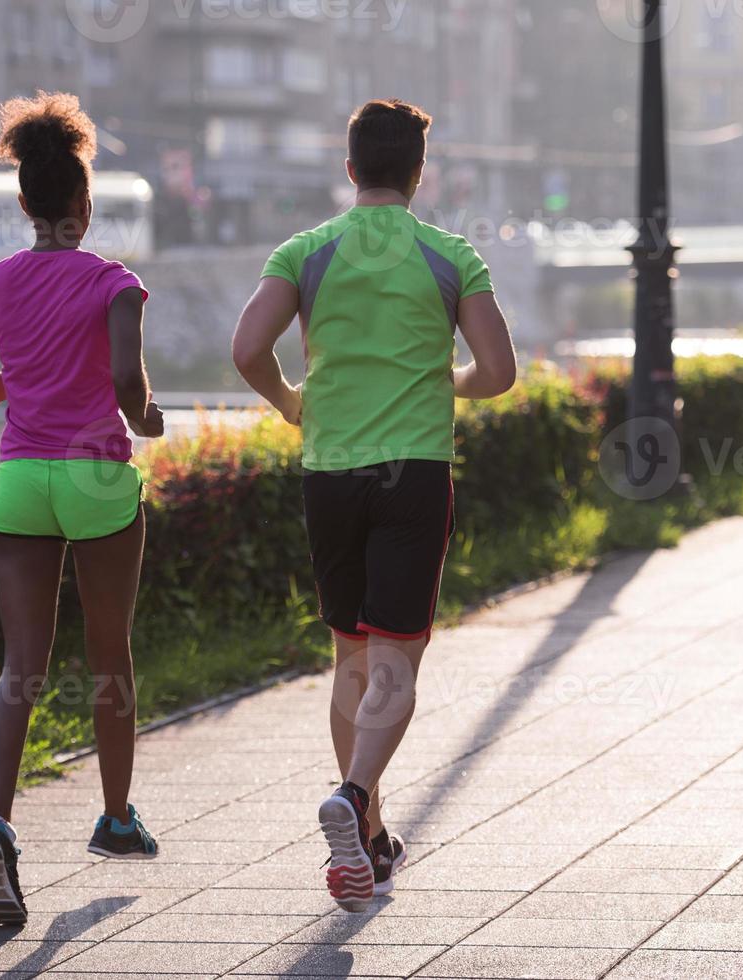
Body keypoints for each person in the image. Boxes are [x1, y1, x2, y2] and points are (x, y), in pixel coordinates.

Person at [232, 98, 517, 912]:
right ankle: (354, 799)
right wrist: (448, 380)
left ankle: (370, 841)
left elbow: (247, 349)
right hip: (413, 473)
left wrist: (291, 402)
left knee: (350, 658)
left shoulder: (305, 252)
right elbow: (496, 371)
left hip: (329, 472)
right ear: (417, 174)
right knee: (395, 660)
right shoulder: (448, 255)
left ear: (350, 168)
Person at [0, 91, 163, 925]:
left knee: (20, 668)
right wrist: (147, 420)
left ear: (24, 203)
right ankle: (114, 821)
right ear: (84, 204)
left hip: (18, 483)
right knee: (109, 654)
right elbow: (125, 387)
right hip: (94, 479)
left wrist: (29, 375)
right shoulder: (116, 283)